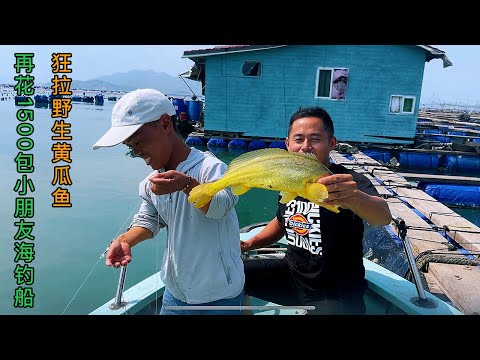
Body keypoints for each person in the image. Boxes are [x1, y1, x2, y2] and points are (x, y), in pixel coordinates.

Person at [92, 88, 244, 315]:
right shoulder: (151, 183)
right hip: (175, 294)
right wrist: (125, 240)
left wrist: (187, 185)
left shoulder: (211, 168)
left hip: (219, 297)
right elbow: (148, 220)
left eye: (138, 142)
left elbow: (220, 207)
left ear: (165, 124)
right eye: (130, 147)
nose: (136, 152)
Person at [240, 106, 392, 315]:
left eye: (315, 139)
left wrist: (354, 198)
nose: (305, 147)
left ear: (331, 143)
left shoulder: (347, 181)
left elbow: (383, 216)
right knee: (232, 276)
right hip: (292, 276)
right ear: (287, 144)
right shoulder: (288, 180)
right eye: (298, 139)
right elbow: (282, 219)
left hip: (336, 292)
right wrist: (250, 243)